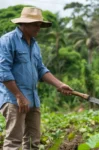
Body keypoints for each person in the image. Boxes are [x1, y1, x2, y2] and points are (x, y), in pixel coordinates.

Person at [0, 7, 73, 149]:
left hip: (33, 98)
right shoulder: (7, 41)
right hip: (14, 99)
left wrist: (60, 84)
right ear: (24, 23)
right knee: (14, 142)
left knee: (33, 141)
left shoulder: (34, 45)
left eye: (40, 24)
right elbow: (3, 71)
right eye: (35, 24)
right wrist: (19, 96)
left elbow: (41, 69)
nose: (38, 28)